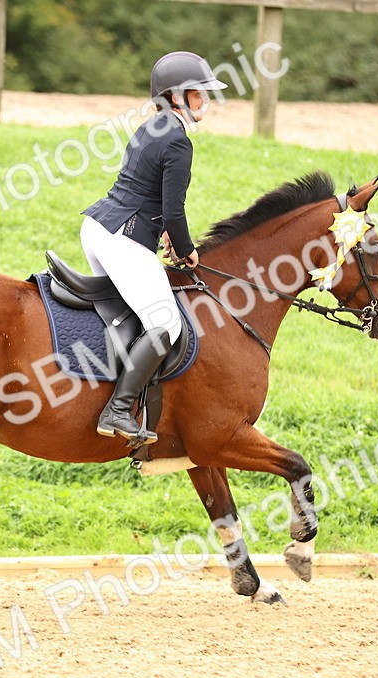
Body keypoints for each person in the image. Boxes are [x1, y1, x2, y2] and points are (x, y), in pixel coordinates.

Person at [81, 51, 226, 447]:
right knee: (166, 323)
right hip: (122, 239)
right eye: (199, 94)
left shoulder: (151, 126)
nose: (206, 101)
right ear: (177, 97)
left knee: (137, 313)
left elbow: (143, 190)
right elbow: (173, 208)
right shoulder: (178, 142)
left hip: (98, 227)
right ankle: (117, 409)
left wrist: (160, 231)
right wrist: (185, 249)